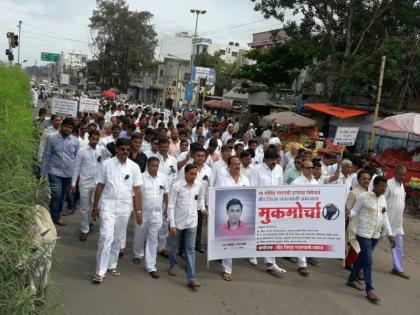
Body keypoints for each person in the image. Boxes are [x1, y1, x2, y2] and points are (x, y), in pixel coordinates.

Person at [92, 138, 143, 284]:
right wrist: (95, 206)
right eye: (122, 149)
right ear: (116, 149)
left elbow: (137, 190)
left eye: (128, 150)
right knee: (105, 236)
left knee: (118, 238)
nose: (125, 152)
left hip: (124, 207)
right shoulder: (106, 164)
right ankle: (99, 271)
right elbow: (100, 186)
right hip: (107, 206)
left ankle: (112, 265)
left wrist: (139, 211)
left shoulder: (134, 167)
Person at [346, 176, 396, 303]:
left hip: (375, 235)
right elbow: (355, 211)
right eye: (381, 186)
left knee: (362, 259)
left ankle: (351, 280)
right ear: (374, 185)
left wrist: (390, 234)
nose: (383, 189)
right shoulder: (364, 197)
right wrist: (348, 213)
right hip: (363, 233)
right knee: (368, 261)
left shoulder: (383, 199)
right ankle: (370, 289)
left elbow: (385, 217)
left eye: (385, 187)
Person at [167, 163, 207, 289]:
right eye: (191, 174)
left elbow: (200, 199)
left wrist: (203, 209)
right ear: (185, 173)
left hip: (192, 222)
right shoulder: (177, 186)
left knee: (190, 249)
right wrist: (172, 224)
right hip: (178, 222)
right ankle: (173, 264)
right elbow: (171, 205)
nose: (194, 176)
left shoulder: (199, 185)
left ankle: (191, 278)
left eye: (195, 174)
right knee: (174, 246)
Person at [248, 148, 286, 275]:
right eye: (271, 160)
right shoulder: (256, 170)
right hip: (260, 205)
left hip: (274, 207)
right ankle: (252, 254)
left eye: (276, 159)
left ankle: (270, 262)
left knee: (271, 234)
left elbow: (281, 187)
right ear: (265, 159)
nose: (274, 162)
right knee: (256, 232)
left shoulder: (279, 169)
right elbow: (252, 188)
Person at [132, 157, 169, 279]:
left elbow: (165, 193)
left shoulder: (163, 177)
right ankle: (138, 254)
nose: (154, 168)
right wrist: (138, 211)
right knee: (140, 234)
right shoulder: (141, 177)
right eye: (152, 165)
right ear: (147, 166)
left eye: (156, 166)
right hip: (143, 212)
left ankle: (151, 267)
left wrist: (166, 208)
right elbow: (135, 195)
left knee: (153, 239)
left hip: (157, 213)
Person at [216, 156, 251, 281]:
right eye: (234, 164)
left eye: (238, 164)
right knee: (228, 241)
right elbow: (216, 197)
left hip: (242, 213)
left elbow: (250, 194)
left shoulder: (246, 179)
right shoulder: (222, 181)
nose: (237, 166)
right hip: (227, 214)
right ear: (229, 166)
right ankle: (227, 269)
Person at [41, 117, 80, 226]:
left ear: (72, 129)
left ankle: (53, 214)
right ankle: (55, 217)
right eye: (66, 126)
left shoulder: (75, 142)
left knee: (61, 197)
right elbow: (46, 156)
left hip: (68, 173)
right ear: (62, 126)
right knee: (57, 195)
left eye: (70, 127)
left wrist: (77, 176)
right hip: (54, 172)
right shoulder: (52, 139)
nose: (68, 129)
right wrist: (42, 173)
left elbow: (77, 159)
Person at [177, 145, 213, 253]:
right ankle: (182, 249)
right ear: (193, 156)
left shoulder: (209, 170)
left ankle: (197, 244)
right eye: (198, 156)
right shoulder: (185, 168)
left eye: (203, 156)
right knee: (185, 227)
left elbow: (210, 188)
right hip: (186, 202)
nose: (201, 158)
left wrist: (207, 205)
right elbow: (178, 185)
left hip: (200, 203)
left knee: (198, 226)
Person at [71, 130, 102, 241]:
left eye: (97, 139)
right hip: (84, 183)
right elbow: (76, 167)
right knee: (84, 208)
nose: (95, 141)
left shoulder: (100, 150)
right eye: (93, 139)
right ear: (89, 138)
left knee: (95, 204)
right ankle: (85, 230)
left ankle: (89, 222)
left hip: (97, 183)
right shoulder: (82, 151)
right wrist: (73, 183)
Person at [290, 159, 318, 275]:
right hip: (299, 214)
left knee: (307, 239)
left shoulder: (315, 182)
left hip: (312, 215)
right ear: (302, 169)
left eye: (312, 168)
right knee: (301, 238)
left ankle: (298, 256)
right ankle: (302, 264)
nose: (311, 170)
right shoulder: (296, 183)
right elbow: (290, 199)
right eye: (308, 168)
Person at [384, 165, 409, 279]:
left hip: (398, 223)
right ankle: (358, 265)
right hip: (386, 222)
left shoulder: (401, 185)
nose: (402, 177)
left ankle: (397, 268)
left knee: (398, 246)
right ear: (395, 173)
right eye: (400, 174)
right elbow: (382, 200)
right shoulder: (388, 183)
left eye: (404, 175)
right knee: (371, 244)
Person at [344, 170, 371, 270]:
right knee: (355, 245)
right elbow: (348, 209)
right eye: (364, 178)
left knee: (359, 246)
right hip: (354, 223)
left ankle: (351, 263)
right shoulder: (354, 193)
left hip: (366, 224)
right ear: (359, 179)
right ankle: (350, 263)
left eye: (368, 179)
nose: (366, 180)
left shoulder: (369, 192)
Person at [156, 137, 178, 257]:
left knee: (165, 220)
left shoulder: (173, 160)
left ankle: (162, 247)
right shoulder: (153, 158)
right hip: (155, 194)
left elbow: (174, 176)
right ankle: (151, 244)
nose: (164, 148)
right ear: (158, 146)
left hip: (168, 194)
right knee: (154, 220)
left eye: (166, 146)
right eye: (162, 146)